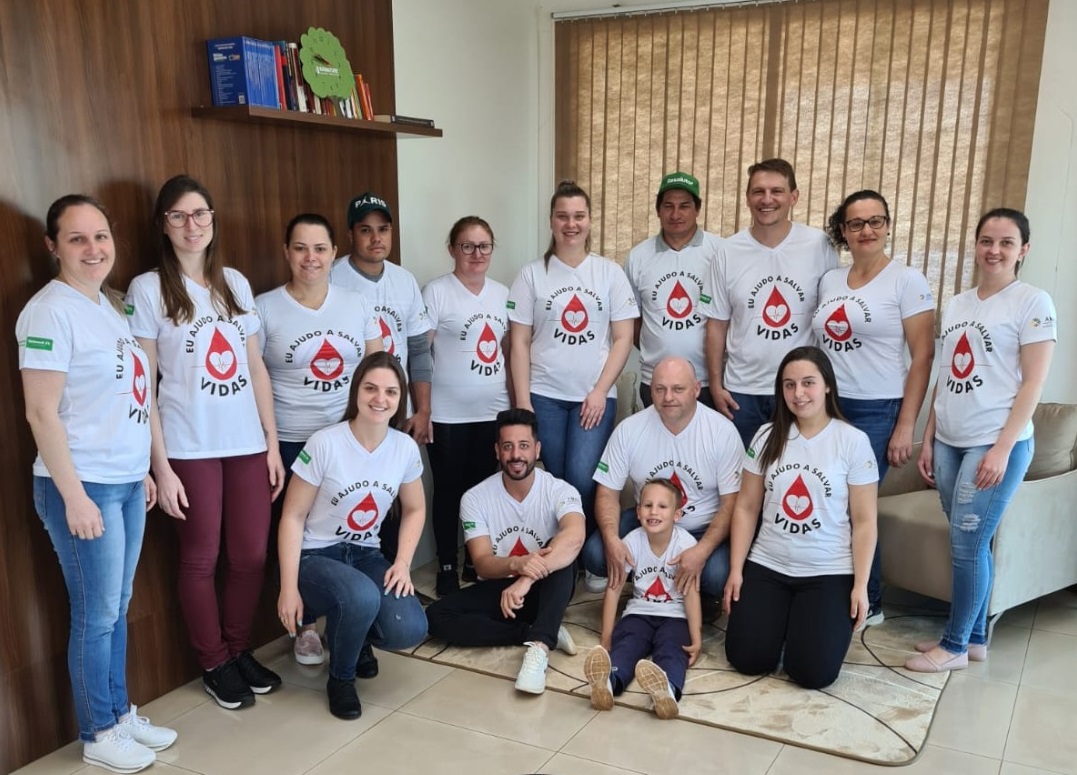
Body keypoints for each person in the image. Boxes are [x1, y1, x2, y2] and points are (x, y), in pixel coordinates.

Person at [18, 195, 176, 773]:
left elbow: (130, 397)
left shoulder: (109, 306)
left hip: (125, 482)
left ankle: (117, 711)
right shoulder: (48, 312)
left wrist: (145, 469)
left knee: (117, 607)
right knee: (96, 613)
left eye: (101, 236)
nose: (93, 249)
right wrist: (75, 496)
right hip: (83, 486)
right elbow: (41, 413)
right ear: (53, 246)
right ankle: (98, 732)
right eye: (77, 238)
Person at [127, 175, 284, 710]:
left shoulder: (234, 283)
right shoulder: (148, 289)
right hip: (188, 447)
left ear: (213, 219)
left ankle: (238, 650)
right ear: (163, 224)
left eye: (200, 214)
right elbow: (144, 384)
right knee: (200, 558)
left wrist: (271, 444)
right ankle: (214, 662)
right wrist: (160, 466)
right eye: (178, 216)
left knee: (250, 556)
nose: (191, 225)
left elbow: (255, 368)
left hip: (245, 443)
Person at [907, 208, 1055, 673]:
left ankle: (952, 646)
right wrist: (928, 438)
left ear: (1023, 250)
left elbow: (1033, 384)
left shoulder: (1033, 302)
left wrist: (1002, 448)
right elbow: (946, 376)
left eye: (1006, 243)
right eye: (987, 241)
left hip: (993, 444)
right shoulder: (958, 304)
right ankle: (973, 640)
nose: (995, 250)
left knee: (967, 546)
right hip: (950, 441)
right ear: (975, 245)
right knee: (969, 541)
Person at [255, 213, 383, 665]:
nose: (310, 258)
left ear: (334, 253)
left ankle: (354, 624)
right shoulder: (265, 308)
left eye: (320, 248)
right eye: (300, 248)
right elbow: (255, 379)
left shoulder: (356, 303)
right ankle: (305, 626)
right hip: (292, 442)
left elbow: (376, 370)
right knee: (300, 534)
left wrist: (377, 432)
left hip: (349, 439)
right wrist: (271, 445)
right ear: (286, 252)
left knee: (351, 528)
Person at [277, 352, 429, 718]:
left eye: (391, 392)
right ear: (356, 391)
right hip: (316, 555)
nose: (380, 399)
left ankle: (354, 635)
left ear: (400, 398)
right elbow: (292, 516)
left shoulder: (404, 447)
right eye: (371, 388)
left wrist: (403, 563)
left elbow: (415, 508)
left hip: (365, 554)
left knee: (409, 628)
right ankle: (341, 680)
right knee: (360, 596)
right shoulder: (325, 443)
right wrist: (288, 587)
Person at [724, 346, 878, 689]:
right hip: (769, 564)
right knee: (746, 659)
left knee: (813, 673)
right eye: (789, 384)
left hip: (828, 570)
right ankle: (781, 624)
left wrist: (861, 585)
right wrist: (736, 570)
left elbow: (865, 521)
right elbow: (746, 507)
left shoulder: (853, 441)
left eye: (808, 383)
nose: (798, 393)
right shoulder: (766, 436)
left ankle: (800, 627)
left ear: (827, 385)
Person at [815, 190, 935, 625]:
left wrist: (905, 425)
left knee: (856, 505)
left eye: (875, 221)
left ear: (887, 226)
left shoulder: (907, 281)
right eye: (856, 223)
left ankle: (871, 600)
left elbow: (923, 356)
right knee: (829, 501)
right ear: (843, 231)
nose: (867, 230)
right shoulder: (830, 281)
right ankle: (835, 590)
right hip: (827, 406)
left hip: (877, 410)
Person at [508, 180, 638, 533]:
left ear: (590, 220)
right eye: (563, 216)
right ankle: (561, 551)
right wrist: (523, 401)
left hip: (593, 397)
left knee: (583, 479)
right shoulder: (531, 274)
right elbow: (519, 342)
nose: (571, 224)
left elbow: (624, 338)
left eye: (579, 216)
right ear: (551, 220)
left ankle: (586, 550)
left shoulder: (609, 273)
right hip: (543, 395)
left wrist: (600, 391)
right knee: (556, 479)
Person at [425, 408, 585, 695]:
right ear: (497, 451)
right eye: (508, 446)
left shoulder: (560, 490)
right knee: (437, 616)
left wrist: (527, 578)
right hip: (502, 590)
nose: (516, 455)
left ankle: (539, 648)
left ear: (537, 449)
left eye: (524, 446)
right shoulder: (475, 498)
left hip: (546, 587)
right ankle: (534, 632)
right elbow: (482, 563)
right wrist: (517, 565)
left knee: (561, 548)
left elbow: (575, 536)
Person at [581, 357, 742, 603]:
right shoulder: (629, 429)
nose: (668, 397)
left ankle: (694, 593)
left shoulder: (722, 432)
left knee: (716, 575)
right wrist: (612, 540)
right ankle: (651, 581)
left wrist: (701, 551)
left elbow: (732, 503)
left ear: (696, 389)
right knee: (596, 555)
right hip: (647, 523)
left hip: (701, 528)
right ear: (650, 390)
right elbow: (607, 493)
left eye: (678, 389)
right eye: (660, 389)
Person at [703, 158, 839, 448]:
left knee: (795, 472)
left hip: (801, 389)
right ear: (747, 198)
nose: (767, 199)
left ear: (794, 197)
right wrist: (715, 385)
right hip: (741, 392)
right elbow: (716, 324)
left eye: (776, 191)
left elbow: (833, 315)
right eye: (758, 192)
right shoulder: (727, 251)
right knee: (744, 473)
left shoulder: (819, 245)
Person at [422, 216, 511, 596]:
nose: (477, 254)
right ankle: (446, 563)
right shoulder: (437, 292)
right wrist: (421, 409)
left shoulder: (503, 294)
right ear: (452, 249)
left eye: (484, 246)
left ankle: (477, 561)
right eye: (467, 246)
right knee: (448, 491)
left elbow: (510, 352)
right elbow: (420, 353)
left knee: (483, 492)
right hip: (447, 415)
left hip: (493, 413)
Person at [584, 478, 702, 720]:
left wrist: (696, 637)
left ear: (677, 514)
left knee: (672, 650)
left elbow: (691, 594)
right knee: (626, 644)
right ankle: (608, 683)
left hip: (675, 616)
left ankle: (666, 690)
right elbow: (614, 588)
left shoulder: (686, 544)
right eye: (648, 505)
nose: (653, 512)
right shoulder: (631, 541)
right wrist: (607, 634)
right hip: (638, 613)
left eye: (662, 506)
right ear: (638, 512)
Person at [330, 192, 432, 445]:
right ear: (350, 235)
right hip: (348, 413)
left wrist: (423, 411)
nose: (376, 238)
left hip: (398, 410)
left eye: (383, 229)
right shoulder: (331, 278)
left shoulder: (404, 280)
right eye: (366, 230)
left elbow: (419, 350)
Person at [624, 171, 722, 409]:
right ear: (658, 210)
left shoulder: (720, 251)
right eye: (668, 206)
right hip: (656, 381)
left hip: (709, 381)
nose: (676, 214)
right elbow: (632, 320)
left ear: (697, 209)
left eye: (684, 206)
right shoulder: (638, 257)